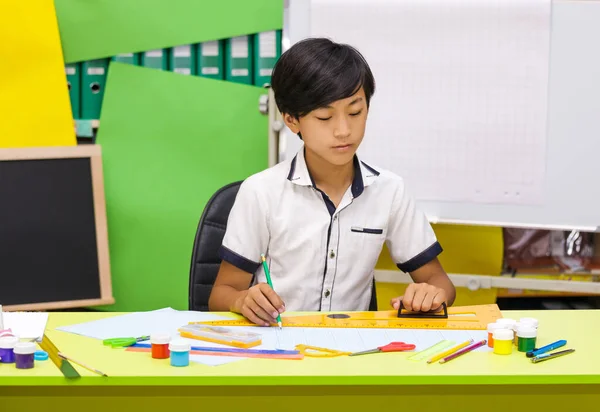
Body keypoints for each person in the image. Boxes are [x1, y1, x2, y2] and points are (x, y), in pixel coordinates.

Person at [208, 37, 455, 326]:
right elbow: (220, 295)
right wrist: (241, 300)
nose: (343, 130)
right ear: (291, 121)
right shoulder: (262, 192)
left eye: (355, 112)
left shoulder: (389, 191)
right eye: (325, 117)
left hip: (352, 350)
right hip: (278, 347)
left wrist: (430, 294)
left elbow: (441, 284)